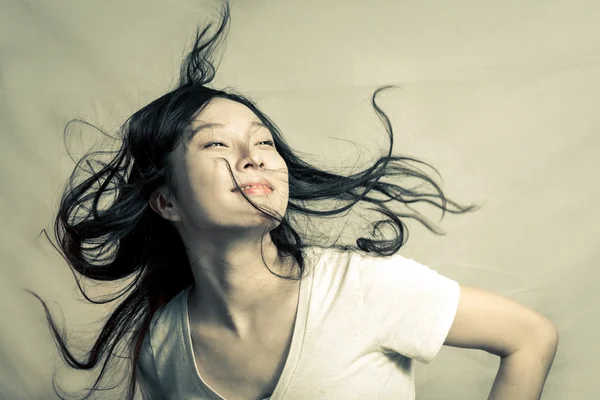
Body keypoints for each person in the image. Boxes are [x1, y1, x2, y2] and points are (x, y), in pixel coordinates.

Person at [29, 1, 558, 399]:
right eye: (216, 143)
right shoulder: (163, 346)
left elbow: (530, 336)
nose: (254, 156)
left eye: (263, 141)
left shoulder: (361, 288)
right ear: (166, 201)